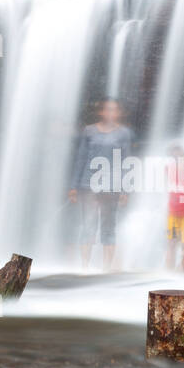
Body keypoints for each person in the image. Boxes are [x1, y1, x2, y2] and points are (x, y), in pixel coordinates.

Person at [68, 98, 135, 272]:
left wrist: (126, 189)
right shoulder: (89, 131)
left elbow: (127, 161)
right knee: (88, 224)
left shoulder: (123, 134)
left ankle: (106, 269)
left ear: (118, 113)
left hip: (111, 185)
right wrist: (74, 186)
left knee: (109, 225)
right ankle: (85, 267)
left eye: (114, 110)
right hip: (87, 184)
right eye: (107, 110)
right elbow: (81, 158)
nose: (110, 113)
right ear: (101, 112)